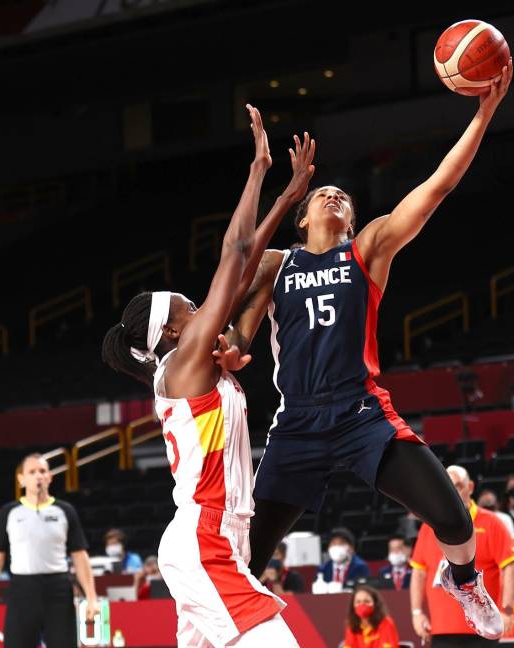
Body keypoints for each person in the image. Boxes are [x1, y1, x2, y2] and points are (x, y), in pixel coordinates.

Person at [223, 61, 513, 639]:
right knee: (245, 563)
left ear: (351, 219)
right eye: (323, 194)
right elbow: (238, 324)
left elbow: (435, 190)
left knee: (454, 521)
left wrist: (482, 115)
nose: (332, 195)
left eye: (342, 196)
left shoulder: (368, 250)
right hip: (298, 424)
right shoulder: (278, 265)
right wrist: (230, 351)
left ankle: (464, 582)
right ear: (303, 216)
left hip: (360, 414)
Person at [101, 104, 312, 647]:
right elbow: (237, 253)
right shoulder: (183, 363)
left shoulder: (199, 364)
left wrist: (288, 217)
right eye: (188, 308)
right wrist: (263, 175)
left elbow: (256, 278)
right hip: (206, 539)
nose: (200, 310)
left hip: (221, 540)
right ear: (173, 334)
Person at [0, 453, 98, 648]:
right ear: (21, 479)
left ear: (50, 477)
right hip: (22, 590)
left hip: (58, 590)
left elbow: (80, 556)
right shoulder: (8, 512)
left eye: (42, 471)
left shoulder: (65, 511)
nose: (38, 476)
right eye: (32, 472)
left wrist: (92, 598)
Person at [410, 465, 514, 647]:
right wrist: (416, 612)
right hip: (441, 630)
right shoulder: (428, 526)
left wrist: (507, 609)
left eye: (458, 486)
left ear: (470, 487)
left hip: (483, 630)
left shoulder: (492, 523)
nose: (452, 492)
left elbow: (511, 567)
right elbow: (419, 573)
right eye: (447, 486)